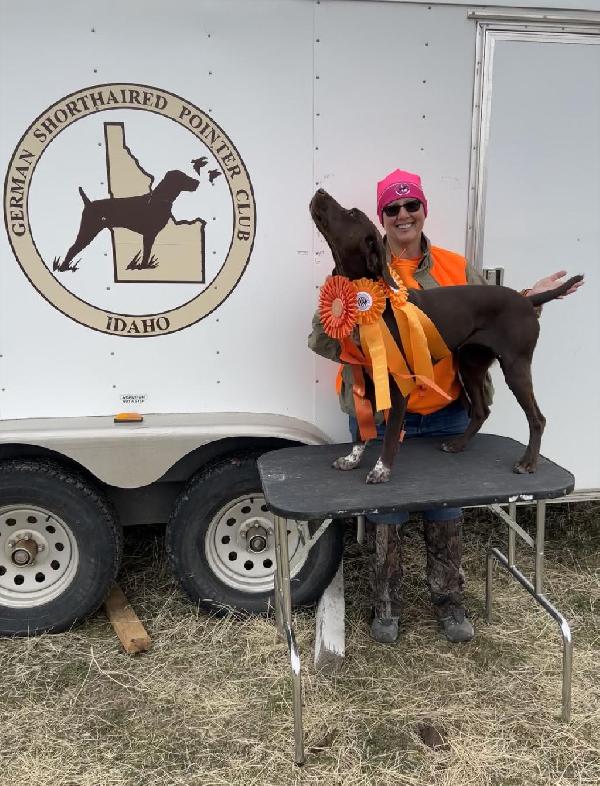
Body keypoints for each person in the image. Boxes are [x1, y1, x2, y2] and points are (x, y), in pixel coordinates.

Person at [308, 168, 582, 645]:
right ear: (382, 220)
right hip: (379, 413)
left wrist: (530, 297)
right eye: (392, 208)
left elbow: (490, 307)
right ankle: (387, 604)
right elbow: (322, 336)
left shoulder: (454, 265)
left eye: (410, 205)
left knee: (445, 512)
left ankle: (449, 600)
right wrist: (356, 338)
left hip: (443, 410)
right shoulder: (350, 280)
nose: (403, 215)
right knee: (384, 513)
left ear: (423, 209)